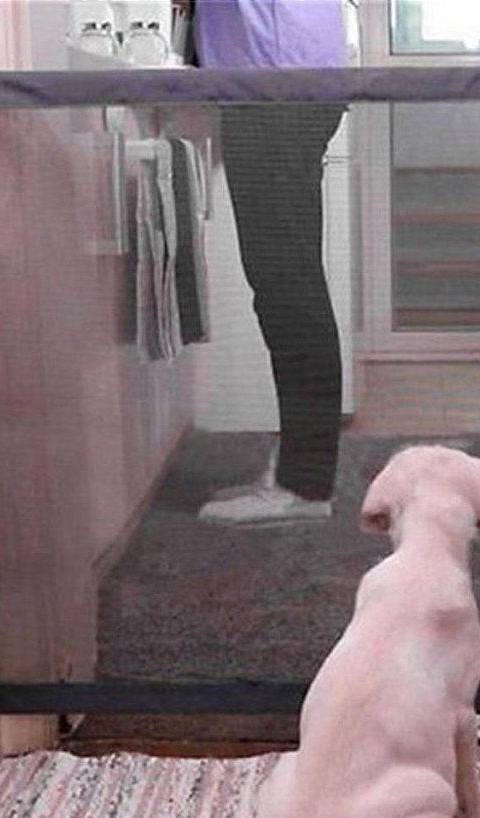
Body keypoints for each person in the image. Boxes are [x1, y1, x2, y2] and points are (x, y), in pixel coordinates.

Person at [191, 0, 348, 526]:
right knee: (285, 283)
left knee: (287, 285)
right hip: (277, 77)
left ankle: (304, 485)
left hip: (275, 82)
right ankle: (298, 474)